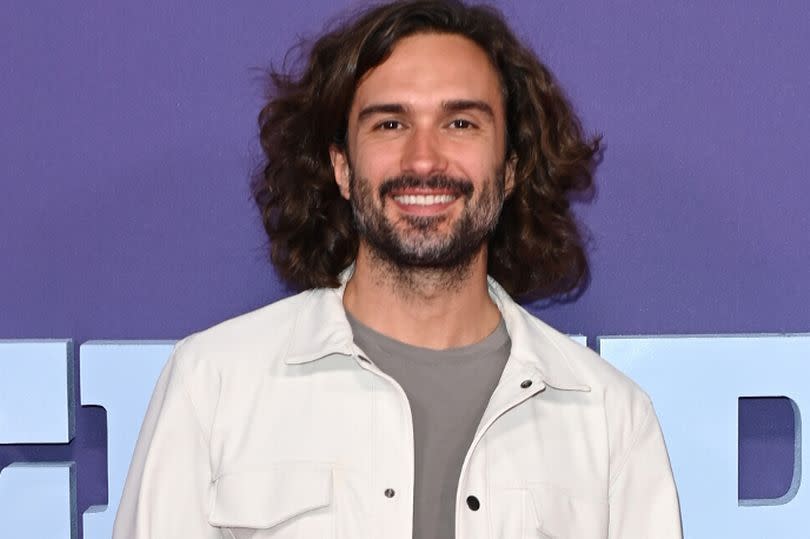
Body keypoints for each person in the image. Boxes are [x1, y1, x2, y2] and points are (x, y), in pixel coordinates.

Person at [113, 1, 682, 537]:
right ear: (341, 165)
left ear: (510, 169)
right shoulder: (212, 385)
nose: (424, 159)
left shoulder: (609, 419)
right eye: (390, 124)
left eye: (461, 123)